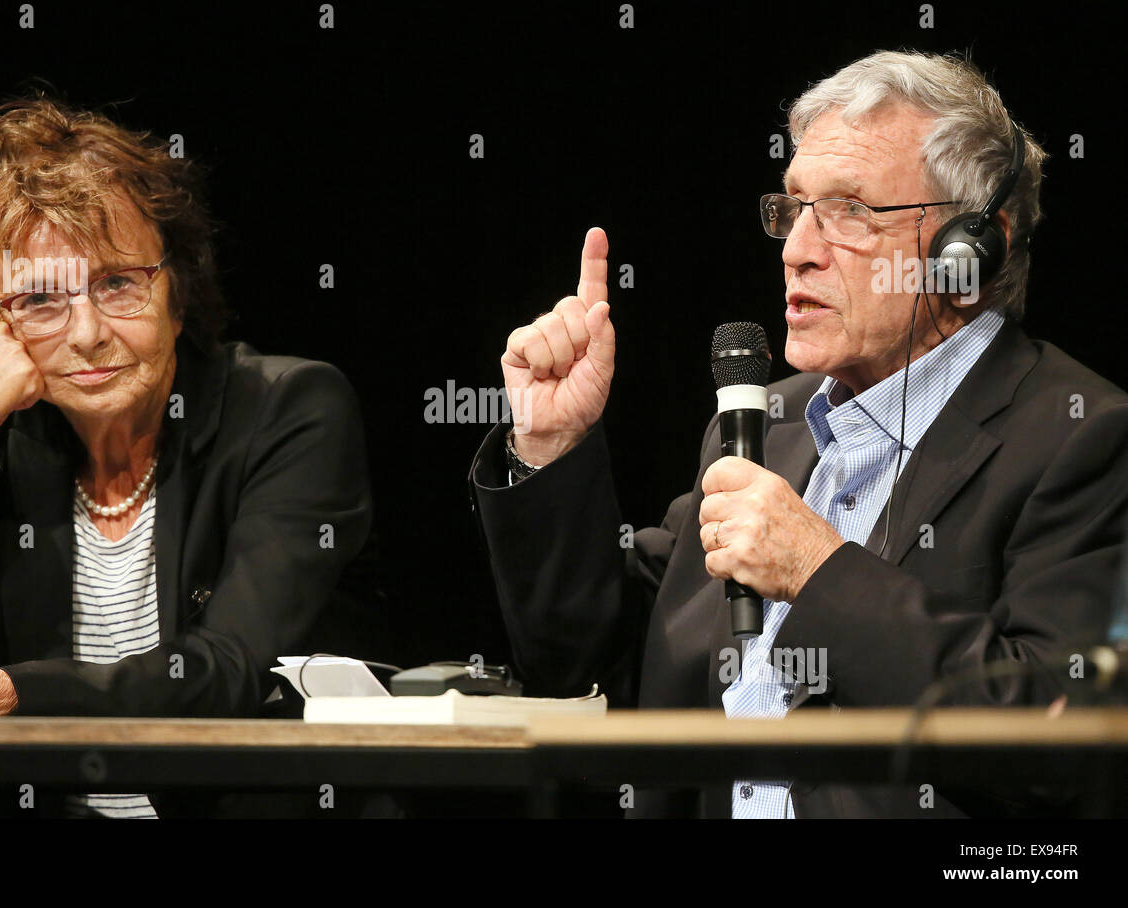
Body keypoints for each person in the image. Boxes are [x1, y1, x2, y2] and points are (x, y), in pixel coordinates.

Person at [469, 51, 1128, 817]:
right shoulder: (759, 428)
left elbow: (1062, 739)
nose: (797, 251)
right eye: (793, 209)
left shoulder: (1082, 437)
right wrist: (550, 446)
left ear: (969, 250)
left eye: (851, 210)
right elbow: (589, 655)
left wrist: (820, 572)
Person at [0, 94, 374, 817]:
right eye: (39, 301)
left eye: (118, 283)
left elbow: (231, 674)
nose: (87, 334)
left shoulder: (289, 409)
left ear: (176, 293)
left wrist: (10, 694)